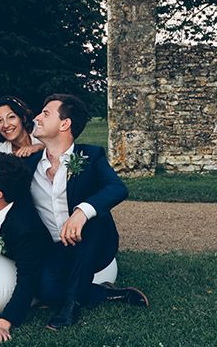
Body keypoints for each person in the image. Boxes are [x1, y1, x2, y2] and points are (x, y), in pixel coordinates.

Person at [28, 94, 149, 330]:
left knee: (94, 219)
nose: (37, 118)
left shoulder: (91, 156)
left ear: (65, 124)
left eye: (45, 113)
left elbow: (117, 188)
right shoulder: (29, 162)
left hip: (94, 243)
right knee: (47, 291)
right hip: (56, 249)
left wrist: (82, 212)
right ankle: (107, 294)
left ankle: (70, 306)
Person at [0, 153, 52, 342]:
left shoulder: (24, 227)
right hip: (3, 256)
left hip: (45, 260)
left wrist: (4, 322)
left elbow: (27, 279)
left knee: (49, 290)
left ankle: (106, 292)